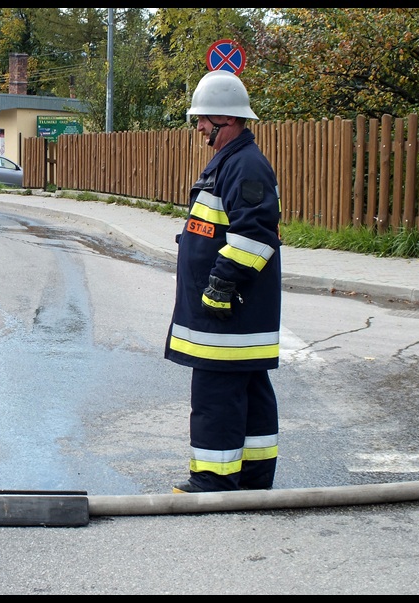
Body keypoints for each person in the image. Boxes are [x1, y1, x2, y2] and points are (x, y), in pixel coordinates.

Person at [165, 70, 282, 494]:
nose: (198, 126)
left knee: (216, 396)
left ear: (227, 120)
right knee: (249, 397)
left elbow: (255, 235)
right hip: (237, 318)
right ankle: (251, 481)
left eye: (203, 118)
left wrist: (220, 284)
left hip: (228, 317)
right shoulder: (234, 162)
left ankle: (211, 484)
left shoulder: (245, 165)